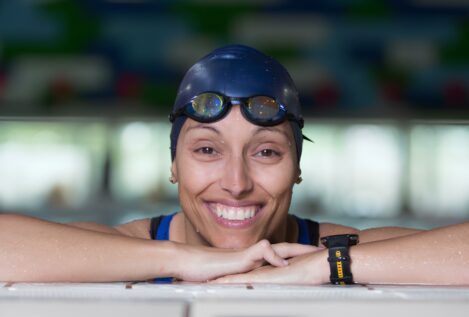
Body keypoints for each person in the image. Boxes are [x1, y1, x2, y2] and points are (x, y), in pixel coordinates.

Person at [0, 45, 468, 285]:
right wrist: (184, 260)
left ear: (298, 167)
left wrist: (326, 266)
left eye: (266, 152)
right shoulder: (125, 248)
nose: (237, 183)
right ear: (173, 164)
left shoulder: (327, 249)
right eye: (207, 150)